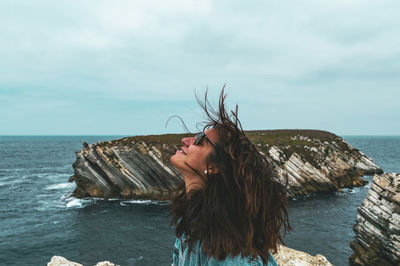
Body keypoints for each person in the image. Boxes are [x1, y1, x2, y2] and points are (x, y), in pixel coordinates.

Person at [169, 89, 290, 265]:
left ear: (215, 167)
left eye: (200, 140)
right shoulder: (193, 222)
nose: (185, 140)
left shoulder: (228, 255)